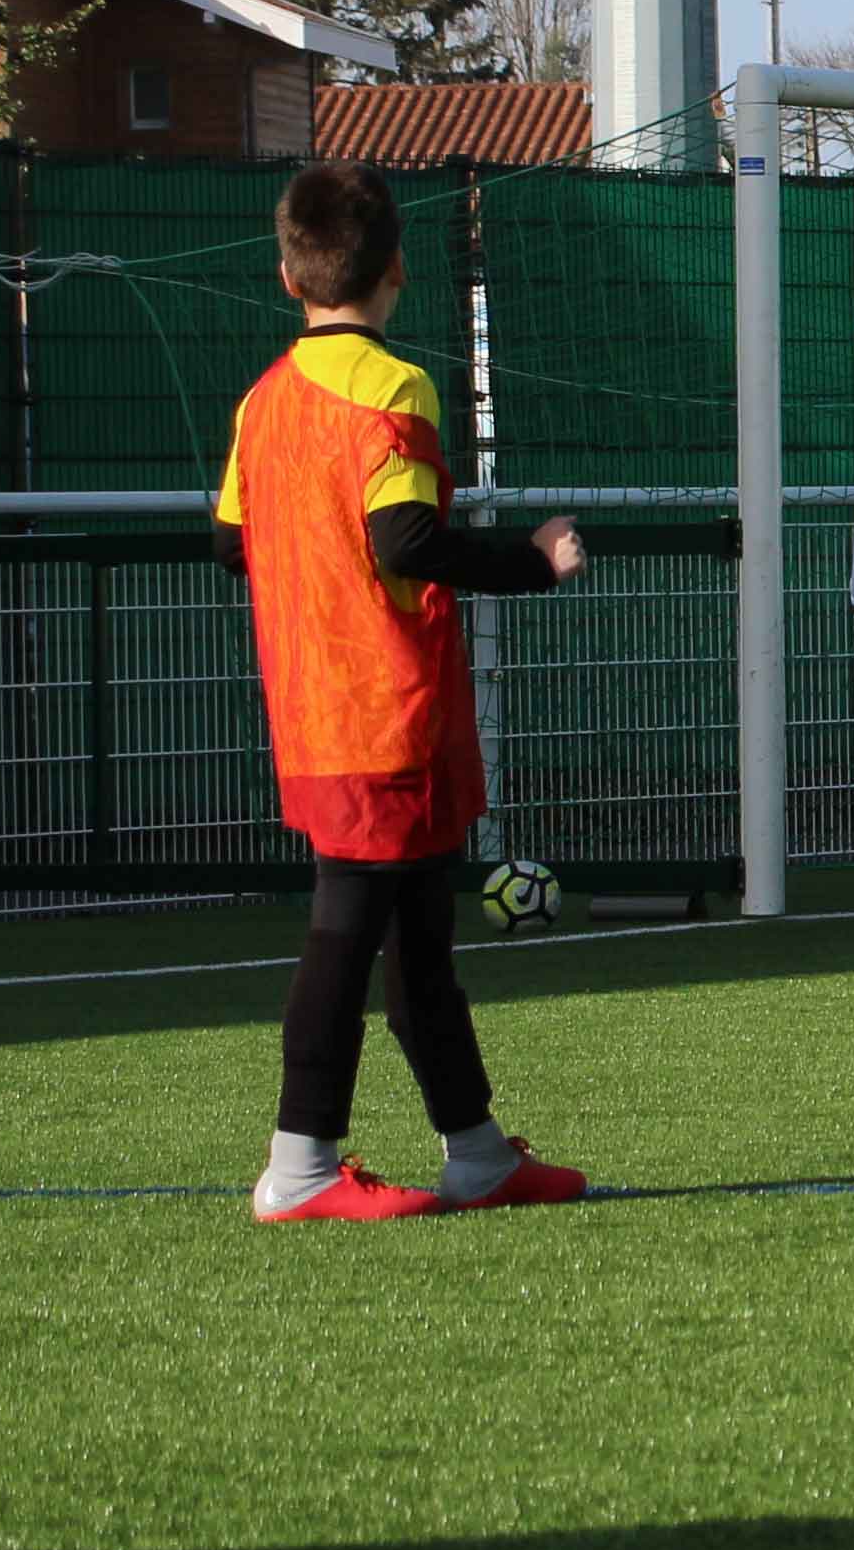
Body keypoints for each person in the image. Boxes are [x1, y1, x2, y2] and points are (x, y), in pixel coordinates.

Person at [216, 159, 590, 1223]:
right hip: (381, 702)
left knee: (422, 935)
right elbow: (407, 538)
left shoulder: (261, 402)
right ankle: (299, 1165)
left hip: (319, 702)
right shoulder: (394, 386)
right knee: (349, 929)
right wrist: (532, 559)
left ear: (291, 277)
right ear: (399, 272)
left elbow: (231, 543)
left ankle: (473, 1150)